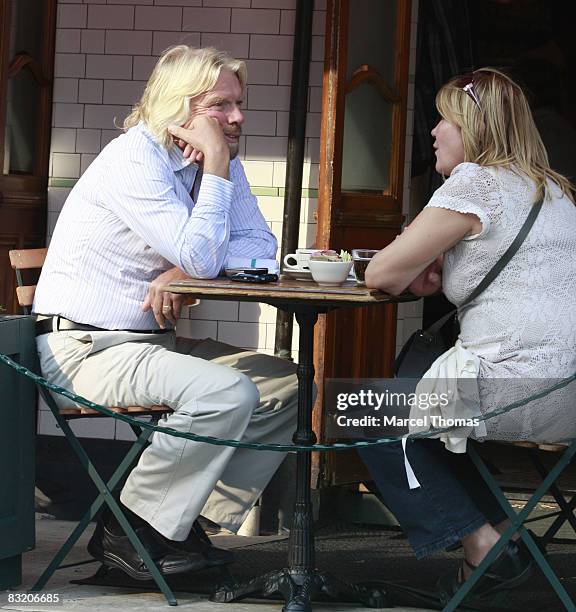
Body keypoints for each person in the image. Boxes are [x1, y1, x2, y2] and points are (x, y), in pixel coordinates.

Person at [33, 46, 298, 580]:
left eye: (239, 105)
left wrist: (186, 273)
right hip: (87, 349)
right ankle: (136, 532)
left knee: (284, 384)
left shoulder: (220, 164)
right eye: (222, 106)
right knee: (227, 392)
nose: (238, 118)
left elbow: (263, 251)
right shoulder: (135, 159)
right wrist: (198, 252)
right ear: (181, 109)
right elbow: (204, 253)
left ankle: (168, 523)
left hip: (150, 345)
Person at [360, 68, 576, 600]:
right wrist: (438, 277)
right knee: (423, 412)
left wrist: (412, 259)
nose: (433, 131)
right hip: (563, 388)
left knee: (365, 410)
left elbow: (381, 275)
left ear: (474, 129)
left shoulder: (475, 182)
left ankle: (485, 542)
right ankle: (503, 539)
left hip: (517, 391)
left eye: (445, 120)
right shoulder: (553, 189)